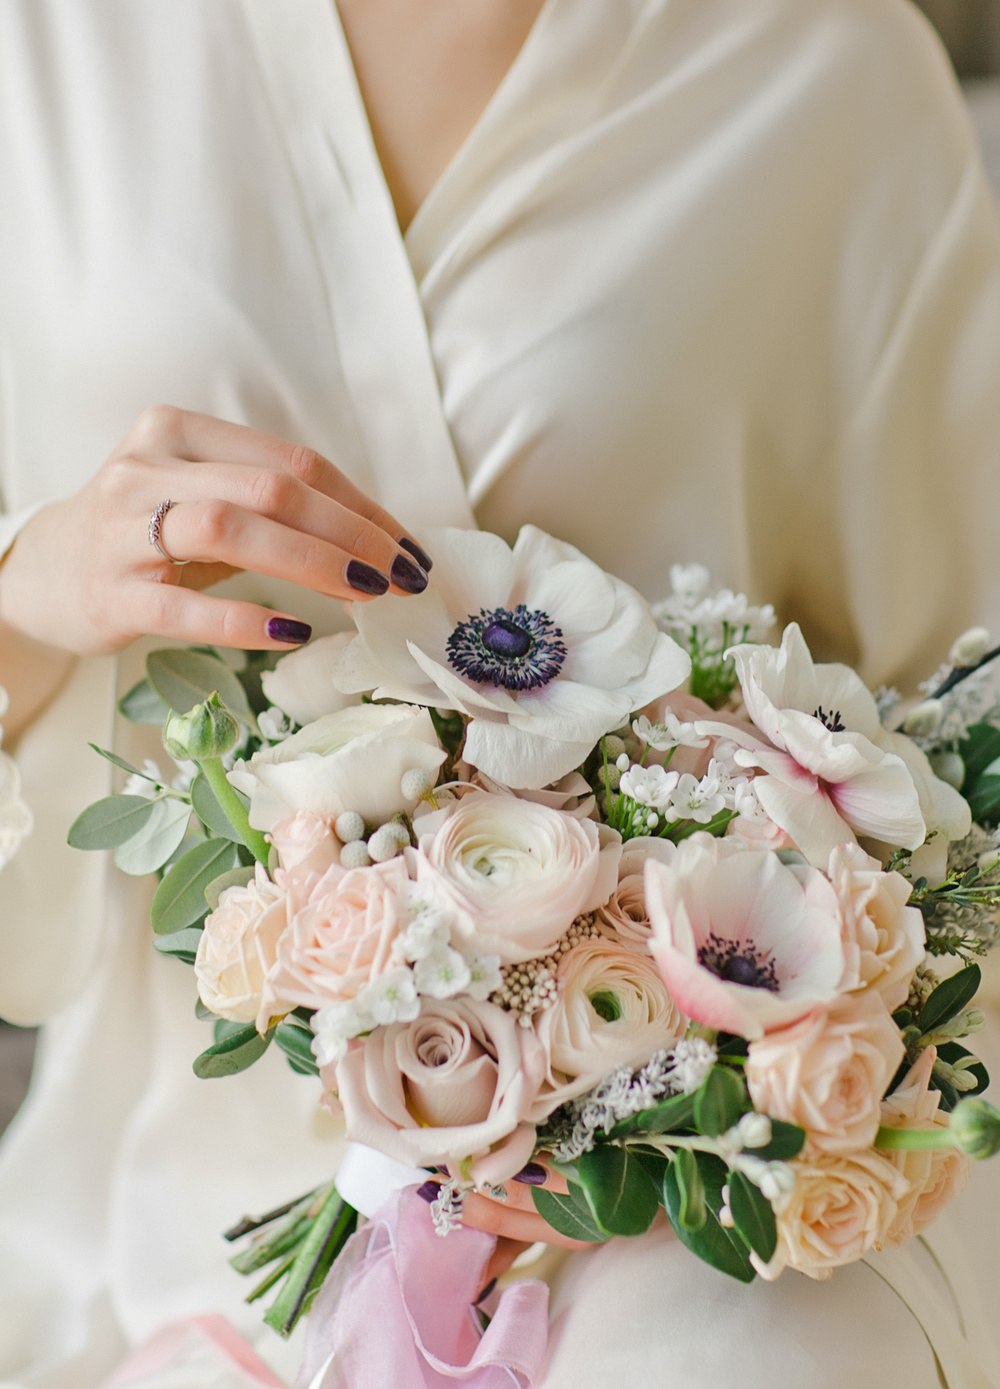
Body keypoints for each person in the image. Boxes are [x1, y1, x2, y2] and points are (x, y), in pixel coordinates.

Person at [1, 0, 999, 1384]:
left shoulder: (820, 63)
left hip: (708, 1182)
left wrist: (700, 1064)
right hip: (198, 1197)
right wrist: (20, 598)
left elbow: (952, 719)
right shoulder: (50, 46)